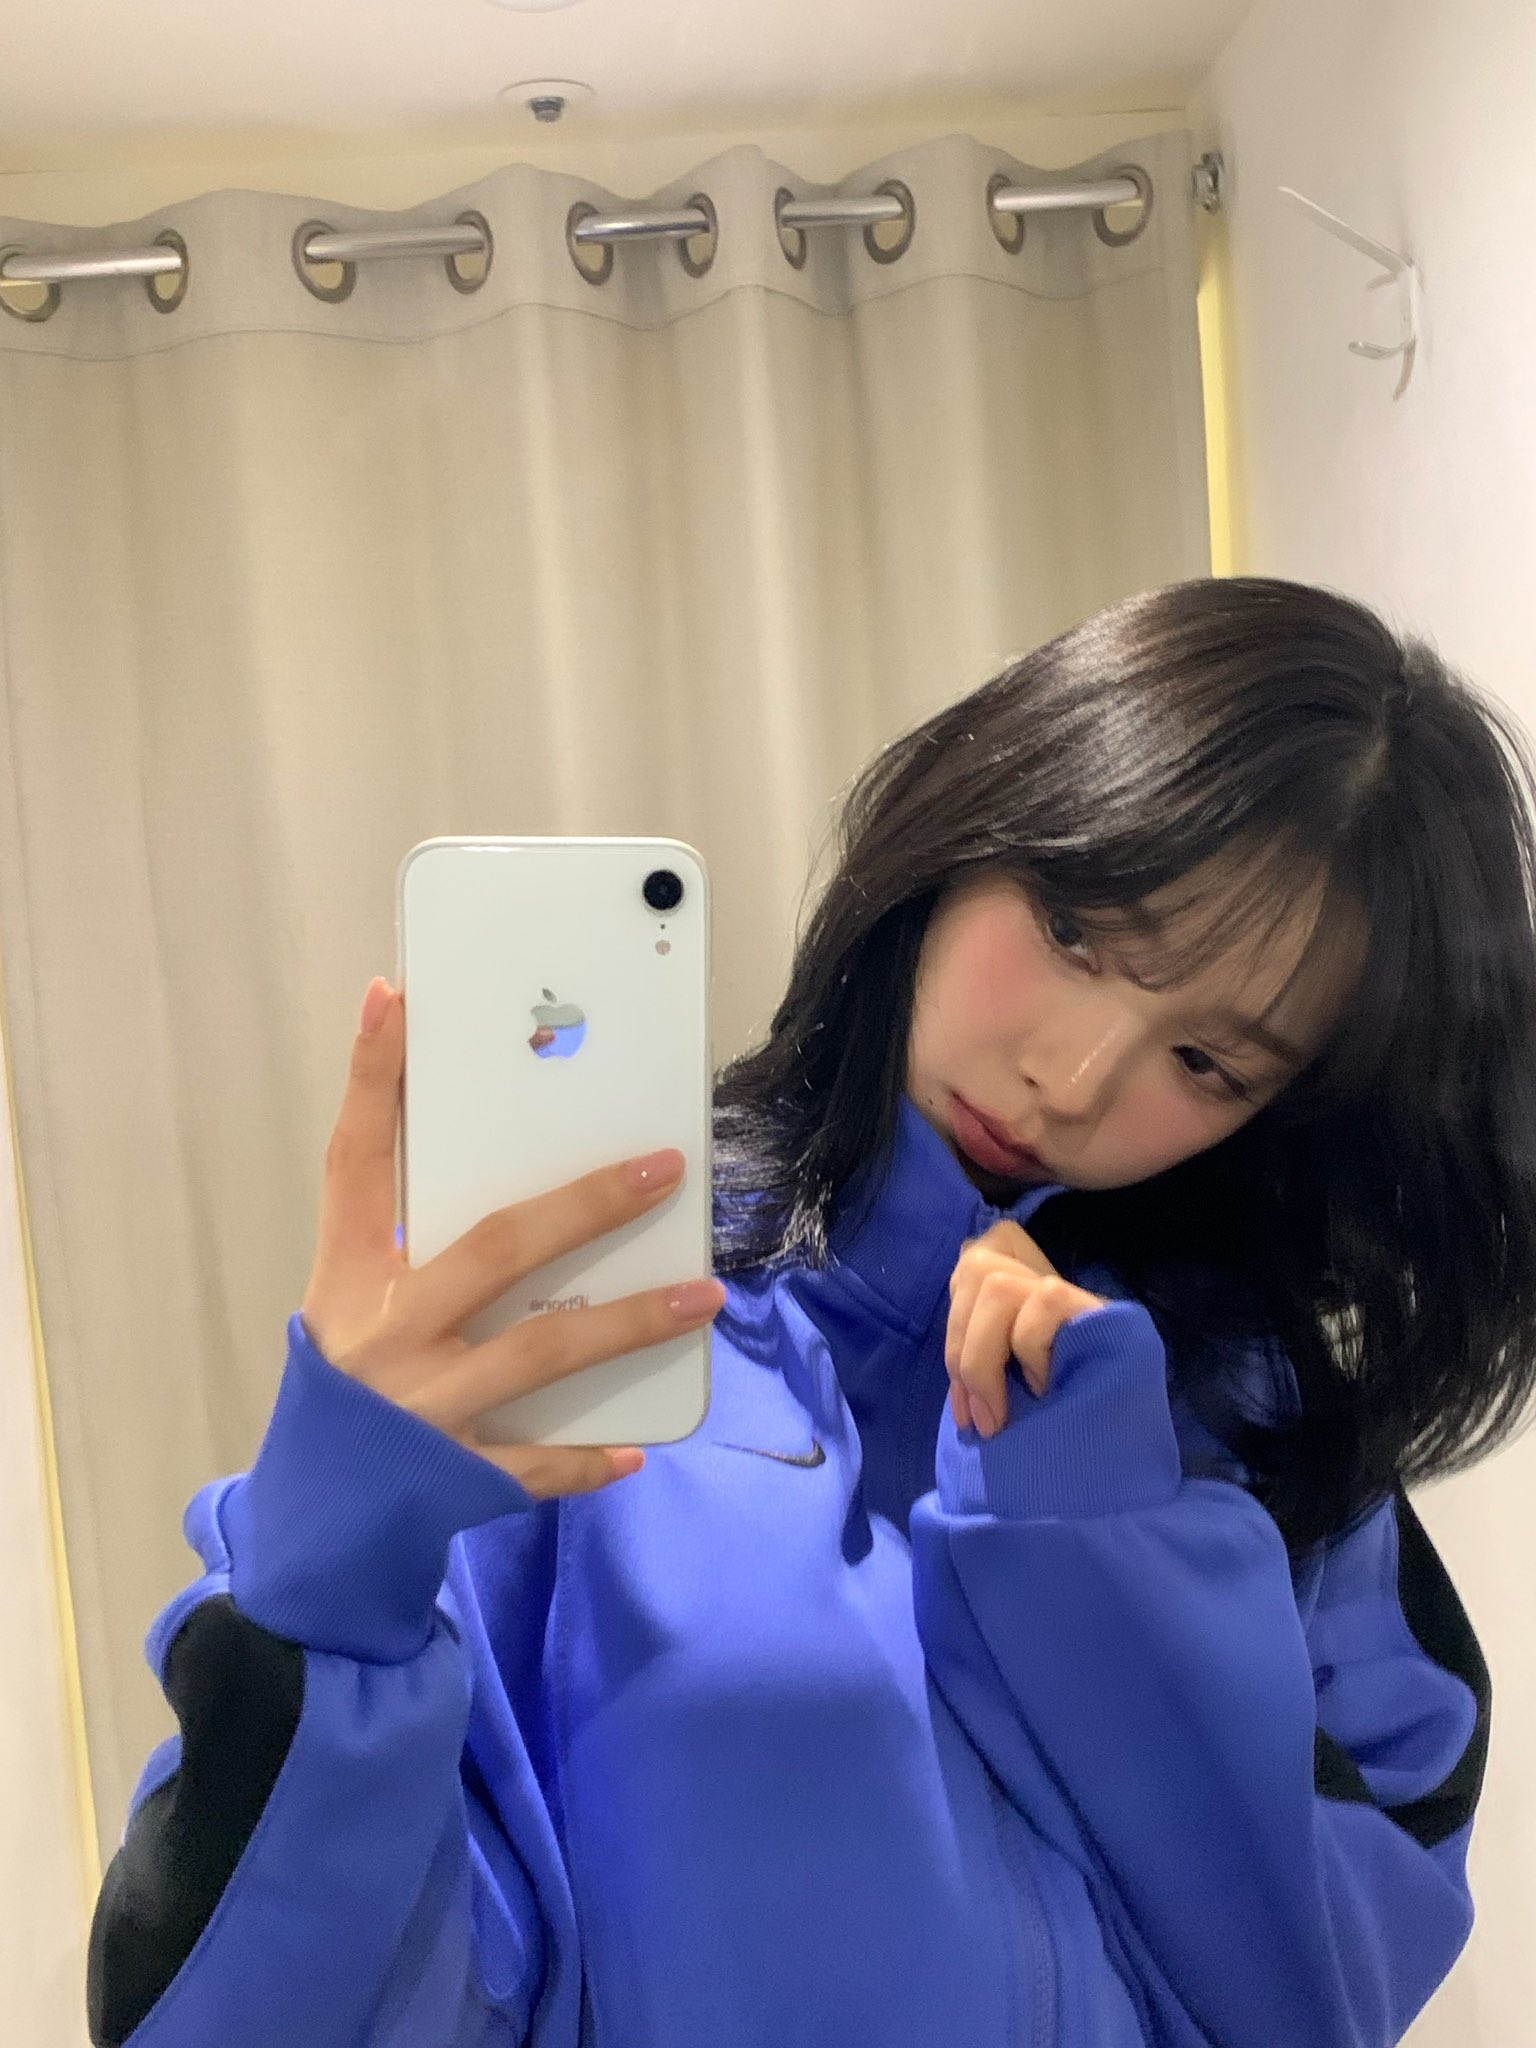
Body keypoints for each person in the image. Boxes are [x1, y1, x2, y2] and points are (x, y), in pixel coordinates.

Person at [87, 576, 1536, 2048]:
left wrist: (1102, 1554)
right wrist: (328, 1596)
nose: (1076, 1079)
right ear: (977, 815)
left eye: (1210, 1063)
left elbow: (1318, 1996)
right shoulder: (589, 1338)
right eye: (1080, 930)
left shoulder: (1256, 1438)